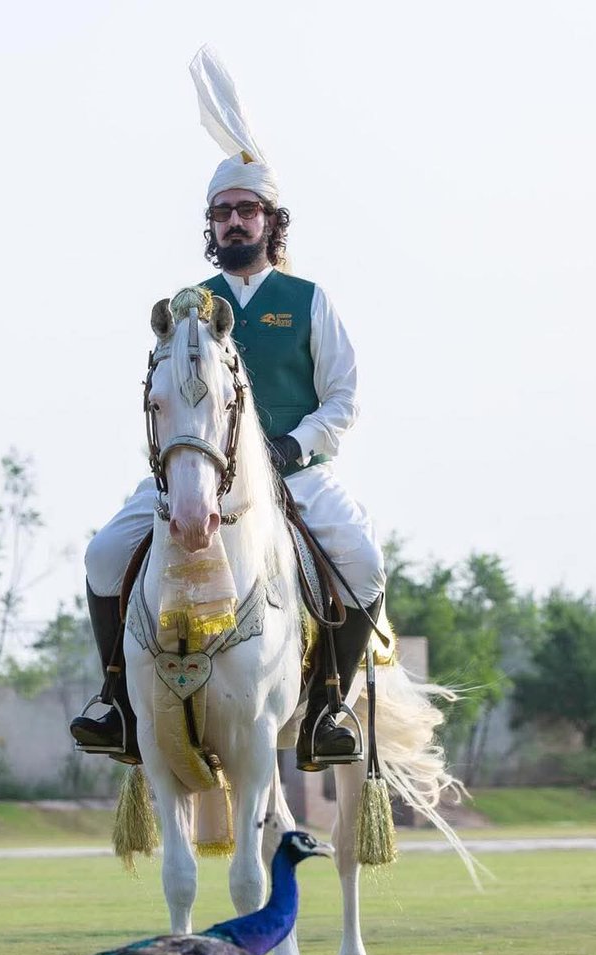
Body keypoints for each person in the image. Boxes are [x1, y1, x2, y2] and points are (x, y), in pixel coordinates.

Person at [71, 148, 385, 772]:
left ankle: (328, 708)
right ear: (210, 226)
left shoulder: (308, 300)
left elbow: (344, 398)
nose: (234, 223)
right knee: (103, 555)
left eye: (247, 211)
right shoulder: (190, 305)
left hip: (297, 474)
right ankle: (118, 703)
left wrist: (295, 442)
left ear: (272, 222)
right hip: (196, 473)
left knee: (366, 564)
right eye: (222, 213)